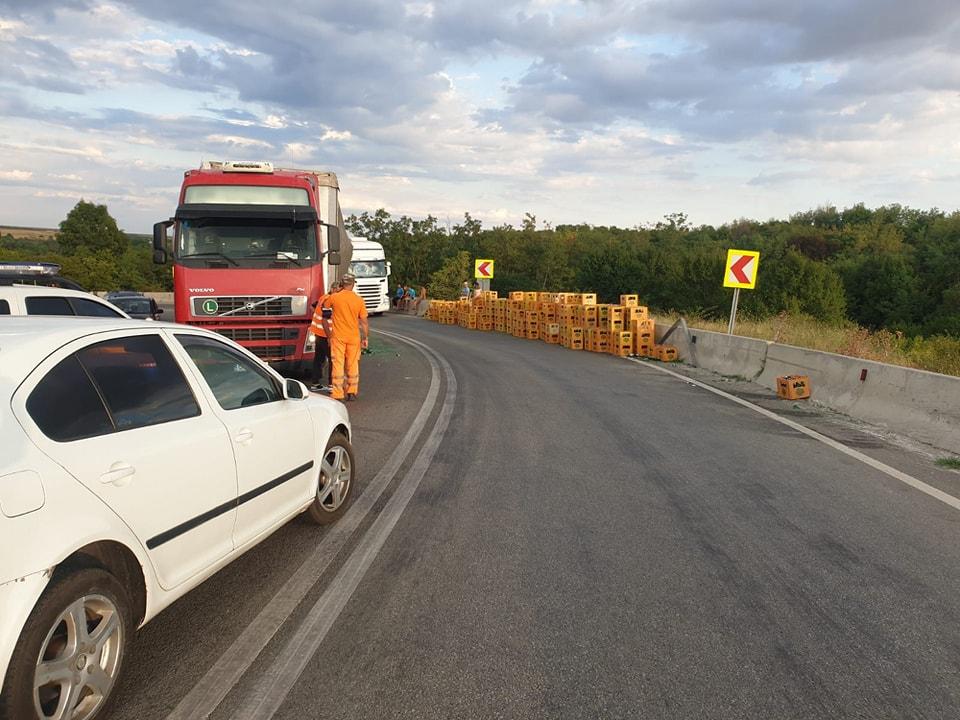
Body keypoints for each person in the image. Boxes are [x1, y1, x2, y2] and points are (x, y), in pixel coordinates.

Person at [322, 273, 369, 401]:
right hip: (354, 338)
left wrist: (329, 336)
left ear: (342, 284)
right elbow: (364, 322)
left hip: (338, 337)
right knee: (353, 364)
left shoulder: (333, 298)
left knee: (338, 364)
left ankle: (337, 393)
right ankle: (352, 391)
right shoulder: (359, 300)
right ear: (353, 284)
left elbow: (324, 318)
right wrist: (365, 338)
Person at [309, 280, 340, 391]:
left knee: (319, 359)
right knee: (333, 359)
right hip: (326, 334)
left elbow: (313, 306)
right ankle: (332, 384)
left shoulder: (323, 297)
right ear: (333, 289)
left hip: (318, 333)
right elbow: (326, 319)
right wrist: (330, 337)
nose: (339, 293)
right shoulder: (330, 300)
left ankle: (315, 383)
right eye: (338, 290)